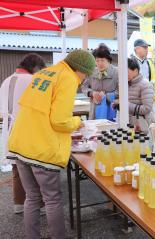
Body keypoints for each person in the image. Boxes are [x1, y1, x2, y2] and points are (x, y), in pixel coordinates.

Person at [7, 49, 96, 239]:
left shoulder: (45, 73)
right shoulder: (68, 78)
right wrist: (77, 123)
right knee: (52, 199)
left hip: (21, 143)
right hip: (42, 148)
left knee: (32, 197)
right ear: (80, 69)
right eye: (86, 73)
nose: (85, 78)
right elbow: (60, 121)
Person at [0, 53, 46, 214]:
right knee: (35, 168)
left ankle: (18, 203)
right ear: (35, 68)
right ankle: (39, 205)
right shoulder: (32, 81)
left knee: (16, 168)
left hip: (9, 130)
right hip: (27, 130)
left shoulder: (6, 81)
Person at [113, 58, 154, 132]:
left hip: (141, 126)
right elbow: (119, 100)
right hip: (127, 125)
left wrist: (125, 104)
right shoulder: (124, 84)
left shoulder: (145, 84)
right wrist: (117, 104)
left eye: (126, 71)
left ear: (135, 70)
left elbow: (147, 108)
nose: (124, 74)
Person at [81, 43, 118, 119]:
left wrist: (106, 95)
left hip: (111, 109)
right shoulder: (91, 72)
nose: (100, 63)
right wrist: (92, 93)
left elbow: (122, 92)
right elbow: (84, 87)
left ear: (108, 60)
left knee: (110, 129)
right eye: (97, 60)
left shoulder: (116, 72)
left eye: (102, 60)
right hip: (94, 109)